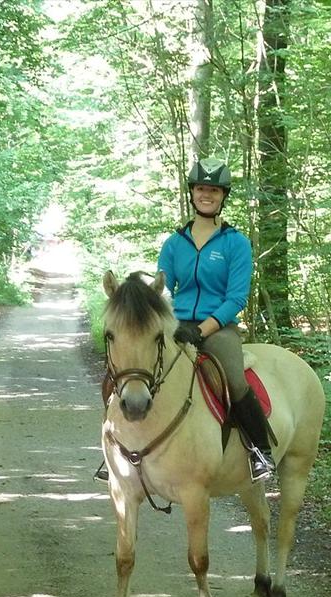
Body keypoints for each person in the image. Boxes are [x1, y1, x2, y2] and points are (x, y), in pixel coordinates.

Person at [96, 159, 275, 483]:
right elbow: (162, 290)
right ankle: (117, 447)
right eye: (201, 189)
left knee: (234, 379)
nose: (207, 195)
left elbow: (236, 298)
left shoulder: (236, 243)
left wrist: (203, 329)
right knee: (128, 371)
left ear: (223, 196)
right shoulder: (174, 243)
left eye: (214, 190)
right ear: (192, 193)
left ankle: (259, 451)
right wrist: (170, 324)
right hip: (176, 325)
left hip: (218, 328)